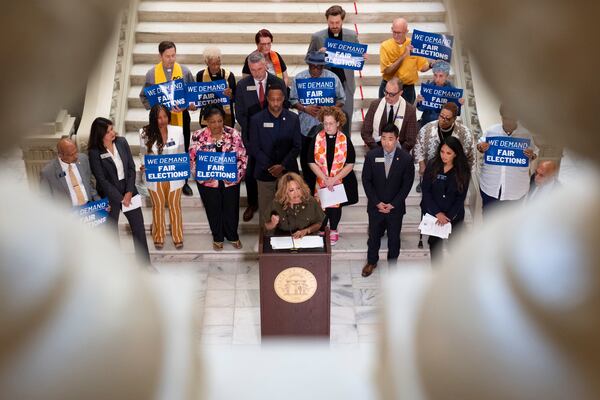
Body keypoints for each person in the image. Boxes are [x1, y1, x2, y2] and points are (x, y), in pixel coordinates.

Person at [88, 117, 151, 265]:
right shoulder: (94, 152)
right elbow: (102, 180)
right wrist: (121, 198)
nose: (113, 132)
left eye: (112, 129)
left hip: (129, 190)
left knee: (139, 230)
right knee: (111, 233)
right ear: (100, 134)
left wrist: (129, 192)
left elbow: (130, 168)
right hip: (109, 195)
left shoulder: (122, 142)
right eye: (109, 131)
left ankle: (145, 265)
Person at [235, 51, 288, 222]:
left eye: (259, 69)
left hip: (275, 137)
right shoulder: (242, 85)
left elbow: (284, 108)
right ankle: (252, 203)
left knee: (275, 170)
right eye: (253, 70)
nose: (256, 73)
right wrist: (255, 131)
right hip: (252, 136)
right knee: (251, 173)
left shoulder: (277, 82)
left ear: (265, 65)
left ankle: (279, 202)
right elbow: (240, 114)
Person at [139, 41, 196, 196]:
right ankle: (164, 179)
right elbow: (144, 96)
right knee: (161, 148)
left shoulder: (184, 71)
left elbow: (193, 95)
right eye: (167, 56)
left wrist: (188, 105)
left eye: (173, 55)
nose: (171, 59)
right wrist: (155, 109)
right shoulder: (151, 74)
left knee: (181, 148)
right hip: (160, 119)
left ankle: (183, 182)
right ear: (160, 56)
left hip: (181, 115)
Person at [189, 105, 247, 251]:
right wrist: (202, 177)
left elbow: (242, 157)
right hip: (208, 182)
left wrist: (236, 176)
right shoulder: (197, 135)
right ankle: (218, 236)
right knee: (213, 208)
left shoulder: (233, 134)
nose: (217, 125)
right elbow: (192, 160)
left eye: (220, 121)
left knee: (231, 208)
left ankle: (232, 235)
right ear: (206, 121)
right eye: (213, 122)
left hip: (230, 180)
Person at [361, 124, 415, 277]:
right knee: (373, 236)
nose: (386, 142)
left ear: (397, 139)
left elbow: (407, 185)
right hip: (375, 206)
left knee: (394, 237)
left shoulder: (405, 158)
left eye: (390, 139)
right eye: (383, 138)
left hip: (395, 208)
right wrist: (377, 202)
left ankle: (392, 263)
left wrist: (393, 204)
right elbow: (366, 181)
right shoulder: (372, 156)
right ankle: (371, 262)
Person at [290, 51, 345, 192]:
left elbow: (341, 99)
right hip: (305, 128)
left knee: (327, 162)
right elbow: (292, 100)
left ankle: (327, 193)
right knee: (307, 163)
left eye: (319, 67)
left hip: (327, 128)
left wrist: (330, 109)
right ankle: (308, 192)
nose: (315, 70)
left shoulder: (333, 78)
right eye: (312, 67)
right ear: (308, 65)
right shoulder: (299, 78)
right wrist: (304, 108)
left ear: (323, 66)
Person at [248, 86, 301, 225]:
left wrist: (282, 166)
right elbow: (254, 147)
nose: (276, 103)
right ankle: (266, 240)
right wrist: (272, 167)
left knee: (290, 208)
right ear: (267, 99)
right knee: (266, 210)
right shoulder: (256, 120)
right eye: (272, 100)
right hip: (265, 173)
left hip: (288, 172)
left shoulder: (293, 118)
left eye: (279, 99)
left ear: (283, 99)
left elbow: (297, 146)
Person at [308, 106, 358, 246]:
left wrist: (334, 179)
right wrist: (324, 179)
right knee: (321, 206)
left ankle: (334, 229)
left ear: (338, 123)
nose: (328, 127)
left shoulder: (345, 140)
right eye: (325, 123)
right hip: (321, 179)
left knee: (335, 207)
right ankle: (322, 228)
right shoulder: (317, 138)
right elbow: (310, 161)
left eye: (331, 123)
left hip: (339, 180)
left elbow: (350, 163)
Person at [477, 104, 538, 214]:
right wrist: (481, 147)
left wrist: (532, 155)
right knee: (489, 222)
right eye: (505, 118)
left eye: (512, 119)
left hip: (516, 189)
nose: (508, 122)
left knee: (510, 225)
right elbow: (480, 145)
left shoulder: (526, 135)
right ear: (501, 117)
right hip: (491, 187)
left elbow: (535, 153)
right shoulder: (491, 131)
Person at [139, 104, 185, 250]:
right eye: (159, 117)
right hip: (155, 177)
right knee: (157, 206)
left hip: (174, 176)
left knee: (175, 206)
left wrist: (183, 169)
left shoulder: (178, 131)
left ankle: (178, 236)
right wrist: (143, 165)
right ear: (153, 118)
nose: (163, 120)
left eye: (165, 116)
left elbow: (182, 154)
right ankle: (158, 236)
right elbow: (142, 154)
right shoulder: (144, 133)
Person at [308, 5, 360, 132]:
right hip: (326, 85)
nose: (335, 25)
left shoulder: (352, 36)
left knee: (346, 119)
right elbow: (308, 58)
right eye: (331, 22)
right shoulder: (317, 37)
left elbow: (357, 57)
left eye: (337, 22)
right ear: (327, 21)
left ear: (342, 20)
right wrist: (319, 55)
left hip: (345, 83)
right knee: (325, 120)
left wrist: (361, 57)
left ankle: (345, 148)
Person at [420, 136, 471, 261]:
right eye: (442, 151)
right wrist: (437, 213)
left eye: (448, 153)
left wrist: (448, 216)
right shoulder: (432, 164)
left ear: (456, 154)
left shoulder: (463, 170)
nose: (444, 155)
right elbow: (426, 190)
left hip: (454, 215)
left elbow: (461, 197)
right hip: (434, 214)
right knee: (435, 245)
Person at [414, 102, 475, 192]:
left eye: (447, 118)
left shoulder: (465, 133)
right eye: (441, 116)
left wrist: (465, 176)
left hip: (453, 171)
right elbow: (418, 145)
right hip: (430, 168)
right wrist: (421, 163)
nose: (443, 120)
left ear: (454, 119)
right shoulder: (427, 128)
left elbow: (471, 156)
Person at [379, 17, 432, 103]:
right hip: (389, 88)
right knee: (386, 115)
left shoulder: (414, 44)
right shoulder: (385, 46)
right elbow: (387, 71)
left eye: (399, 33)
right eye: (394, 32)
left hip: (408, 89)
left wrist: (431, 65)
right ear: (392, 29)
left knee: (407, 115)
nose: (396, 35)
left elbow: (422, 67)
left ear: (406, 32)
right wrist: (404, 55)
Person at [361, 77, 418, 152]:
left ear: (400, 93)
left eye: (391, 94)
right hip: (375, 148)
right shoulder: (375, 105)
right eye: (386, 92)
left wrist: (397, 153)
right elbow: (365, 132)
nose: (387, 96)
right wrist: (376, 149)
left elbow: (411, 139)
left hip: (399, 151)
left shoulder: (409, 110)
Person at [40, 138, 100, 207]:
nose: (76, 156)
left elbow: (89, 185)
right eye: (71, 155)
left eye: (76, 151)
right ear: (60, 155)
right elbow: (45, 199)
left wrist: (100, 203)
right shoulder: (48, 172)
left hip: (89, 207)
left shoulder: (83, 159)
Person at [264, 172, 325, 238]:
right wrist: (273, 223)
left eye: (298, 188)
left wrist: (306, 231)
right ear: (284, 192)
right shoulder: (276, 203)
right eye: (291, 190)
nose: (296, 193)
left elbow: (319, 223)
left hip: (307, 238)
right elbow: (267, 226)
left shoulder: (311, 201)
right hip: (283, 239)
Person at [196, 46, 236, 128]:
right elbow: (198, 95)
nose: (216, 67)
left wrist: (230, 95)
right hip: (207, 115)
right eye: (212, 64)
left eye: (218, 63)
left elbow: (235, 97)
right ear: (207, 63)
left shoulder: (229, 75)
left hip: (226, 116)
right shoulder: (200, 75)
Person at [415, 60, 465, 127]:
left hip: (444, 125)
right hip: (427, 123)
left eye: (441, 76)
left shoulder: (453, 91)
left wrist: (458, 104)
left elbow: (455, 113)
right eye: (435, 75)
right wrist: (418, 102)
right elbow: (421, 108)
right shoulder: (428, 87)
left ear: (446, 76)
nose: (437, 79)